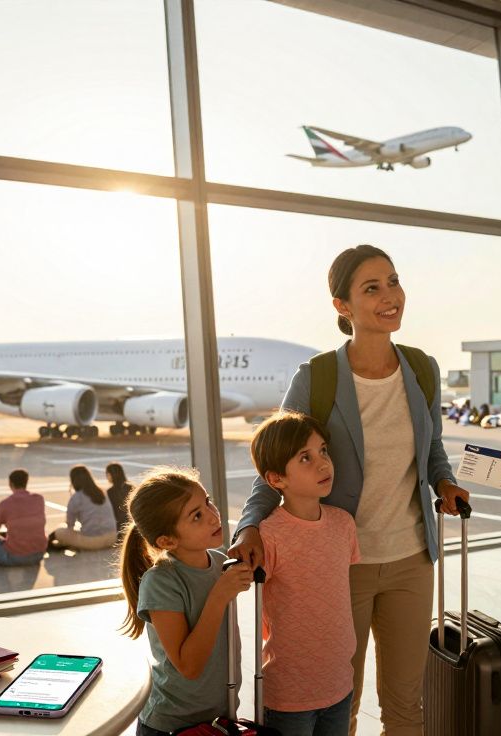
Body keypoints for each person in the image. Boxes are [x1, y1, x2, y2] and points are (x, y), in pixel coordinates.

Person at [228, 244, 471, 736]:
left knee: (407, 705)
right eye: (372, 288)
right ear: (342, 306)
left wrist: (443, 481)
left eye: (394, 281)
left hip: (411, 558)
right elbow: (274, 462)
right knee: (343, 700)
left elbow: (433, 449)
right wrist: (250, 524)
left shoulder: (422, 369)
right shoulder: (316, 378)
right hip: (341, 564)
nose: (390, 296)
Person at [118, 467, 254, 735]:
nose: (213, 516)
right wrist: (220, 595)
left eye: (208, 502)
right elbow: (189, 666)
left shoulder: (218, 562)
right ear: (167, 540)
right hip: (171, 724)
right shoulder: (161, 582)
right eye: (197, 516)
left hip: (219, 715)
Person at [250, 411, 360, 735]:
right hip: (288, 695)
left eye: (323, 450)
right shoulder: (269, 535)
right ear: (276, 479)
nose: (323, 464)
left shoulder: (344, 524)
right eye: (305, 458)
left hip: (339, 683)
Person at [0, 469, 47, 566]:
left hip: (16, 557)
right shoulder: (39, 499)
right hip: (39, 554)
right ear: (26, 482)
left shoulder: (5, 504)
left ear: (10, 484)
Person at [48, 465, 118, 551]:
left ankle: (51, 545)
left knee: (59, 531)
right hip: (112, 538)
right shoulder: (102, 492)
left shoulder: (76, 497)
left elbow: (70, 525)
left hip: (93, 541)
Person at [106, 462, 135, 535]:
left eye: (107, 474)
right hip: (132, 524)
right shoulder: (131, 487)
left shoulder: (110, 492)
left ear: (112, 475)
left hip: (118, 527)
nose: (107, 477)